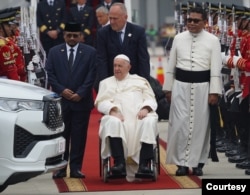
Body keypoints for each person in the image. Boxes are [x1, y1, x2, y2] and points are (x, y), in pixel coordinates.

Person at [163, 7, 222, 176]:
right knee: (180, 125)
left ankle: (197, 163)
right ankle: (181, 163)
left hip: (203, 88)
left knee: (200, 127)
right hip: (181, 87)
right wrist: (168, 88)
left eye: (196, 20)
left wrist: (214, 92)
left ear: (204, 22)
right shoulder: (179, 38)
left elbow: (216, 68)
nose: (192, 23)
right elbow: (171, 65)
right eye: (189, 20)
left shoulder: (213, 40)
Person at [95, 54, 158, 182]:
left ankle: (144, 165)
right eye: (115, 66)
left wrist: (145, 109)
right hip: (119, 118)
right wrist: (112, 111)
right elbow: (100, 102)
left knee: (149, 121)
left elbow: (151, 99)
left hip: (138, 117)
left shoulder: (140, 81)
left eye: (120, 66)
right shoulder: (106, 83)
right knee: (112, 122)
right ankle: (119, 164)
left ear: (128, 67)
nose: (117, 68)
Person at [45, 22, 96, 179]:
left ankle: (76, 168)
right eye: (69, 35)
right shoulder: (54, 52)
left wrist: (80, 93)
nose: (72, 38)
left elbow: (92, 74)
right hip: (61, 102)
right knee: (61, 136)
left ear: (80, 36)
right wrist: (62, 90)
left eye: (75, 35)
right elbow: (50, 73)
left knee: (79, 136)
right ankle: (60, 167)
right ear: (64, 35)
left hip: (81, 101)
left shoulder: (90, 52)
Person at [96, 2, 150, 91]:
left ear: (125, 17)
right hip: (112, 82)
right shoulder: (103, 33)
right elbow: (102, 60)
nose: (112, 22)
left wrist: (144, 84)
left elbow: (143, 59)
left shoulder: (138, 32)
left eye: (115, 19)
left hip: (134, 82)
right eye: (110, 18)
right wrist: (104, 84)